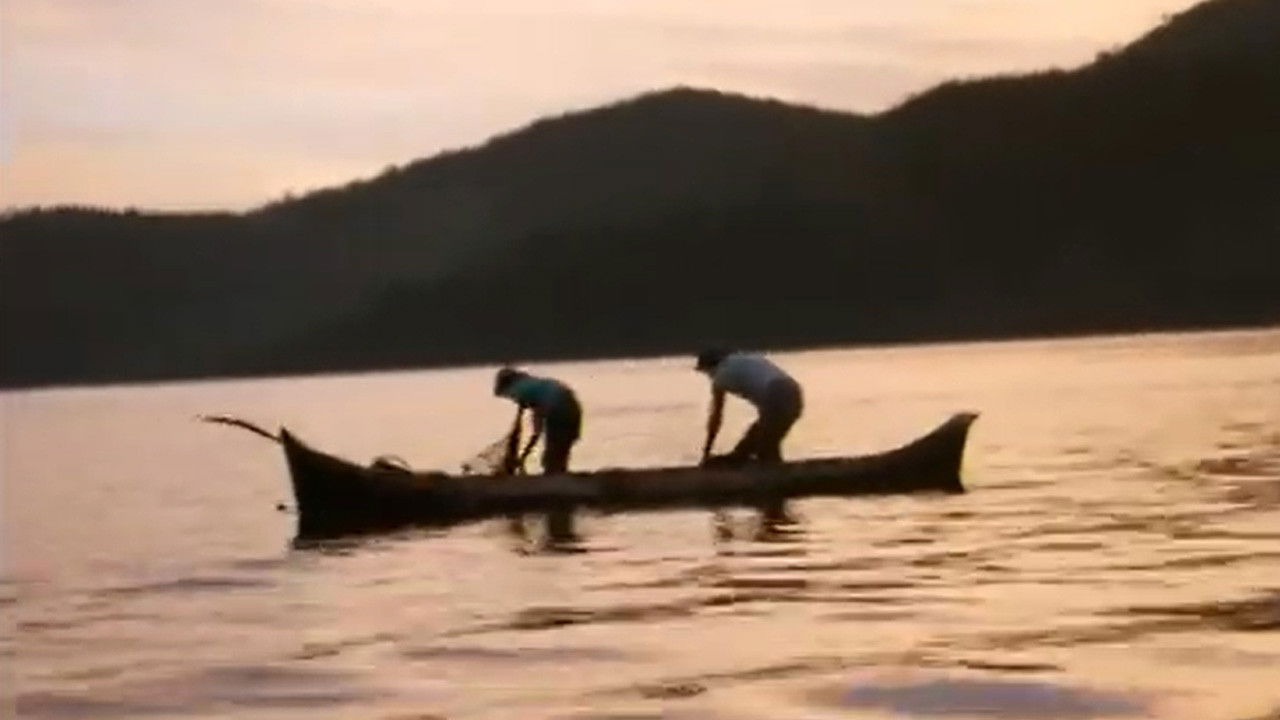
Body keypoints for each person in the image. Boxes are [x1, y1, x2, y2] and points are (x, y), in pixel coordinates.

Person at [696, 349, 803, 465]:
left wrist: (707, 450)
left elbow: (715, 418)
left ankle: (774, 475)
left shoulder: (720, 376)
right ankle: (778, 471)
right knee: (764, 444)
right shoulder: (745, 358)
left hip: (776, 394)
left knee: (761, 449)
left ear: (710, 367)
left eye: (706, 372)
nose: (708, 376)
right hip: (794, 391)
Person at [493, 367, 582, 474]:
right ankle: (560, 477)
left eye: (510, 397)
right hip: (573, 408)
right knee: (561, 451)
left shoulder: (519, 390)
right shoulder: (534, 384)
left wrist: (525, 454)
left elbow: (537, 426)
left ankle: (556, 480)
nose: (512, 399)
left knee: (552, 459)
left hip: (557, 411)